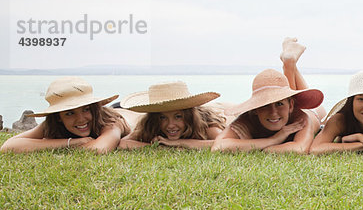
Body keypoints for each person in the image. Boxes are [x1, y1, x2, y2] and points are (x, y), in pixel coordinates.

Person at [212, 38, 325, 154]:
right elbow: (218, 147)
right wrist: (274, 139)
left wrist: (252, 145)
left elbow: (299, 149)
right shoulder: (247, 119)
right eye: (265, 105)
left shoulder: (300, 119)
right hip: (288, 107)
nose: (273, 112)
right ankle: (289, 62)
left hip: (313, 112)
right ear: (255, 109)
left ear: (291, 106)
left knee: (291, 96)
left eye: (279, 104)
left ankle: (289, 65)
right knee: (285, 95)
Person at [0, 77, 130, 154]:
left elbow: (99, 149)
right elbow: (8, 146)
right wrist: (70, 142)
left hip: (125, 110)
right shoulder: (53, 123)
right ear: (58, 117)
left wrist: (45, 143)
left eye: (86, 109)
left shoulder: (110, 122)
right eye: (69, 113)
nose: (80, 119)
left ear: (93, 108)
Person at [118, 81, 226, 149]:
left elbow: (224, 144)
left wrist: (178, 142)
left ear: (188, 116)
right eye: (163, 117)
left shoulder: (207, 123)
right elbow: (123, 143)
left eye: (178, 117)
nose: (170, 125)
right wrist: (158, 147)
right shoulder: (150, 125)